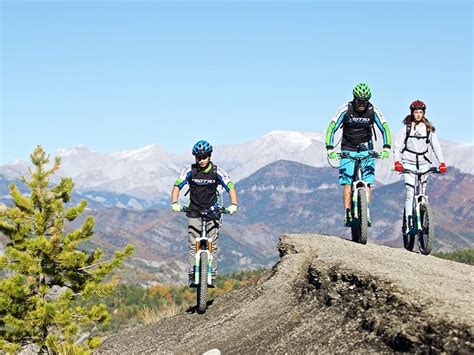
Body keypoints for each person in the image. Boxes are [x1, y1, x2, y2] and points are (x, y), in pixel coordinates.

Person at [171, 139, 238, 285]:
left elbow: (230, 186)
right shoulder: (189, 170)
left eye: (204, 157)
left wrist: (234, 204)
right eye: (198, 157)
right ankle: (191, 273)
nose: (201, 160)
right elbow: (177, 185)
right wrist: (175, 202)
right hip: (194, 210)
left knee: (212, 245)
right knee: (192, 243)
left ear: (209, 156)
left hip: (213, 211)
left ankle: (211, 273)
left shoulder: (217, 171)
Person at [325, 83, 391, 226]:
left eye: (365, 101)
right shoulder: (345, 109)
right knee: (347, 182)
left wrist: (386, 147)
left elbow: (384, 128)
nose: (362, 104)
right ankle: (348, 213)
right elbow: (332, 127)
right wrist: (330, 149)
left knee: (367, 182)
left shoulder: (373, 110)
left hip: (366, 148)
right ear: (354, 99)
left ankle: (365, 211)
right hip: (348, 148)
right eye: (360, 101)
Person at [393, 100, 446, 232]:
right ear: (412, 113)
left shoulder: (428, 129)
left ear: (424, 113)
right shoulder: (407, 127)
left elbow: (436, 147)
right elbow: (397, 147)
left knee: (422, 193)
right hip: (408, 164)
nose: (418, 114)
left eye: (420, 112)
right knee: (410, 193)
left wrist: (441, 162)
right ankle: (409, 221)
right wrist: (397, 162)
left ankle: (423, 218)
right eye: (416, 112)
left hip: (424, 164)